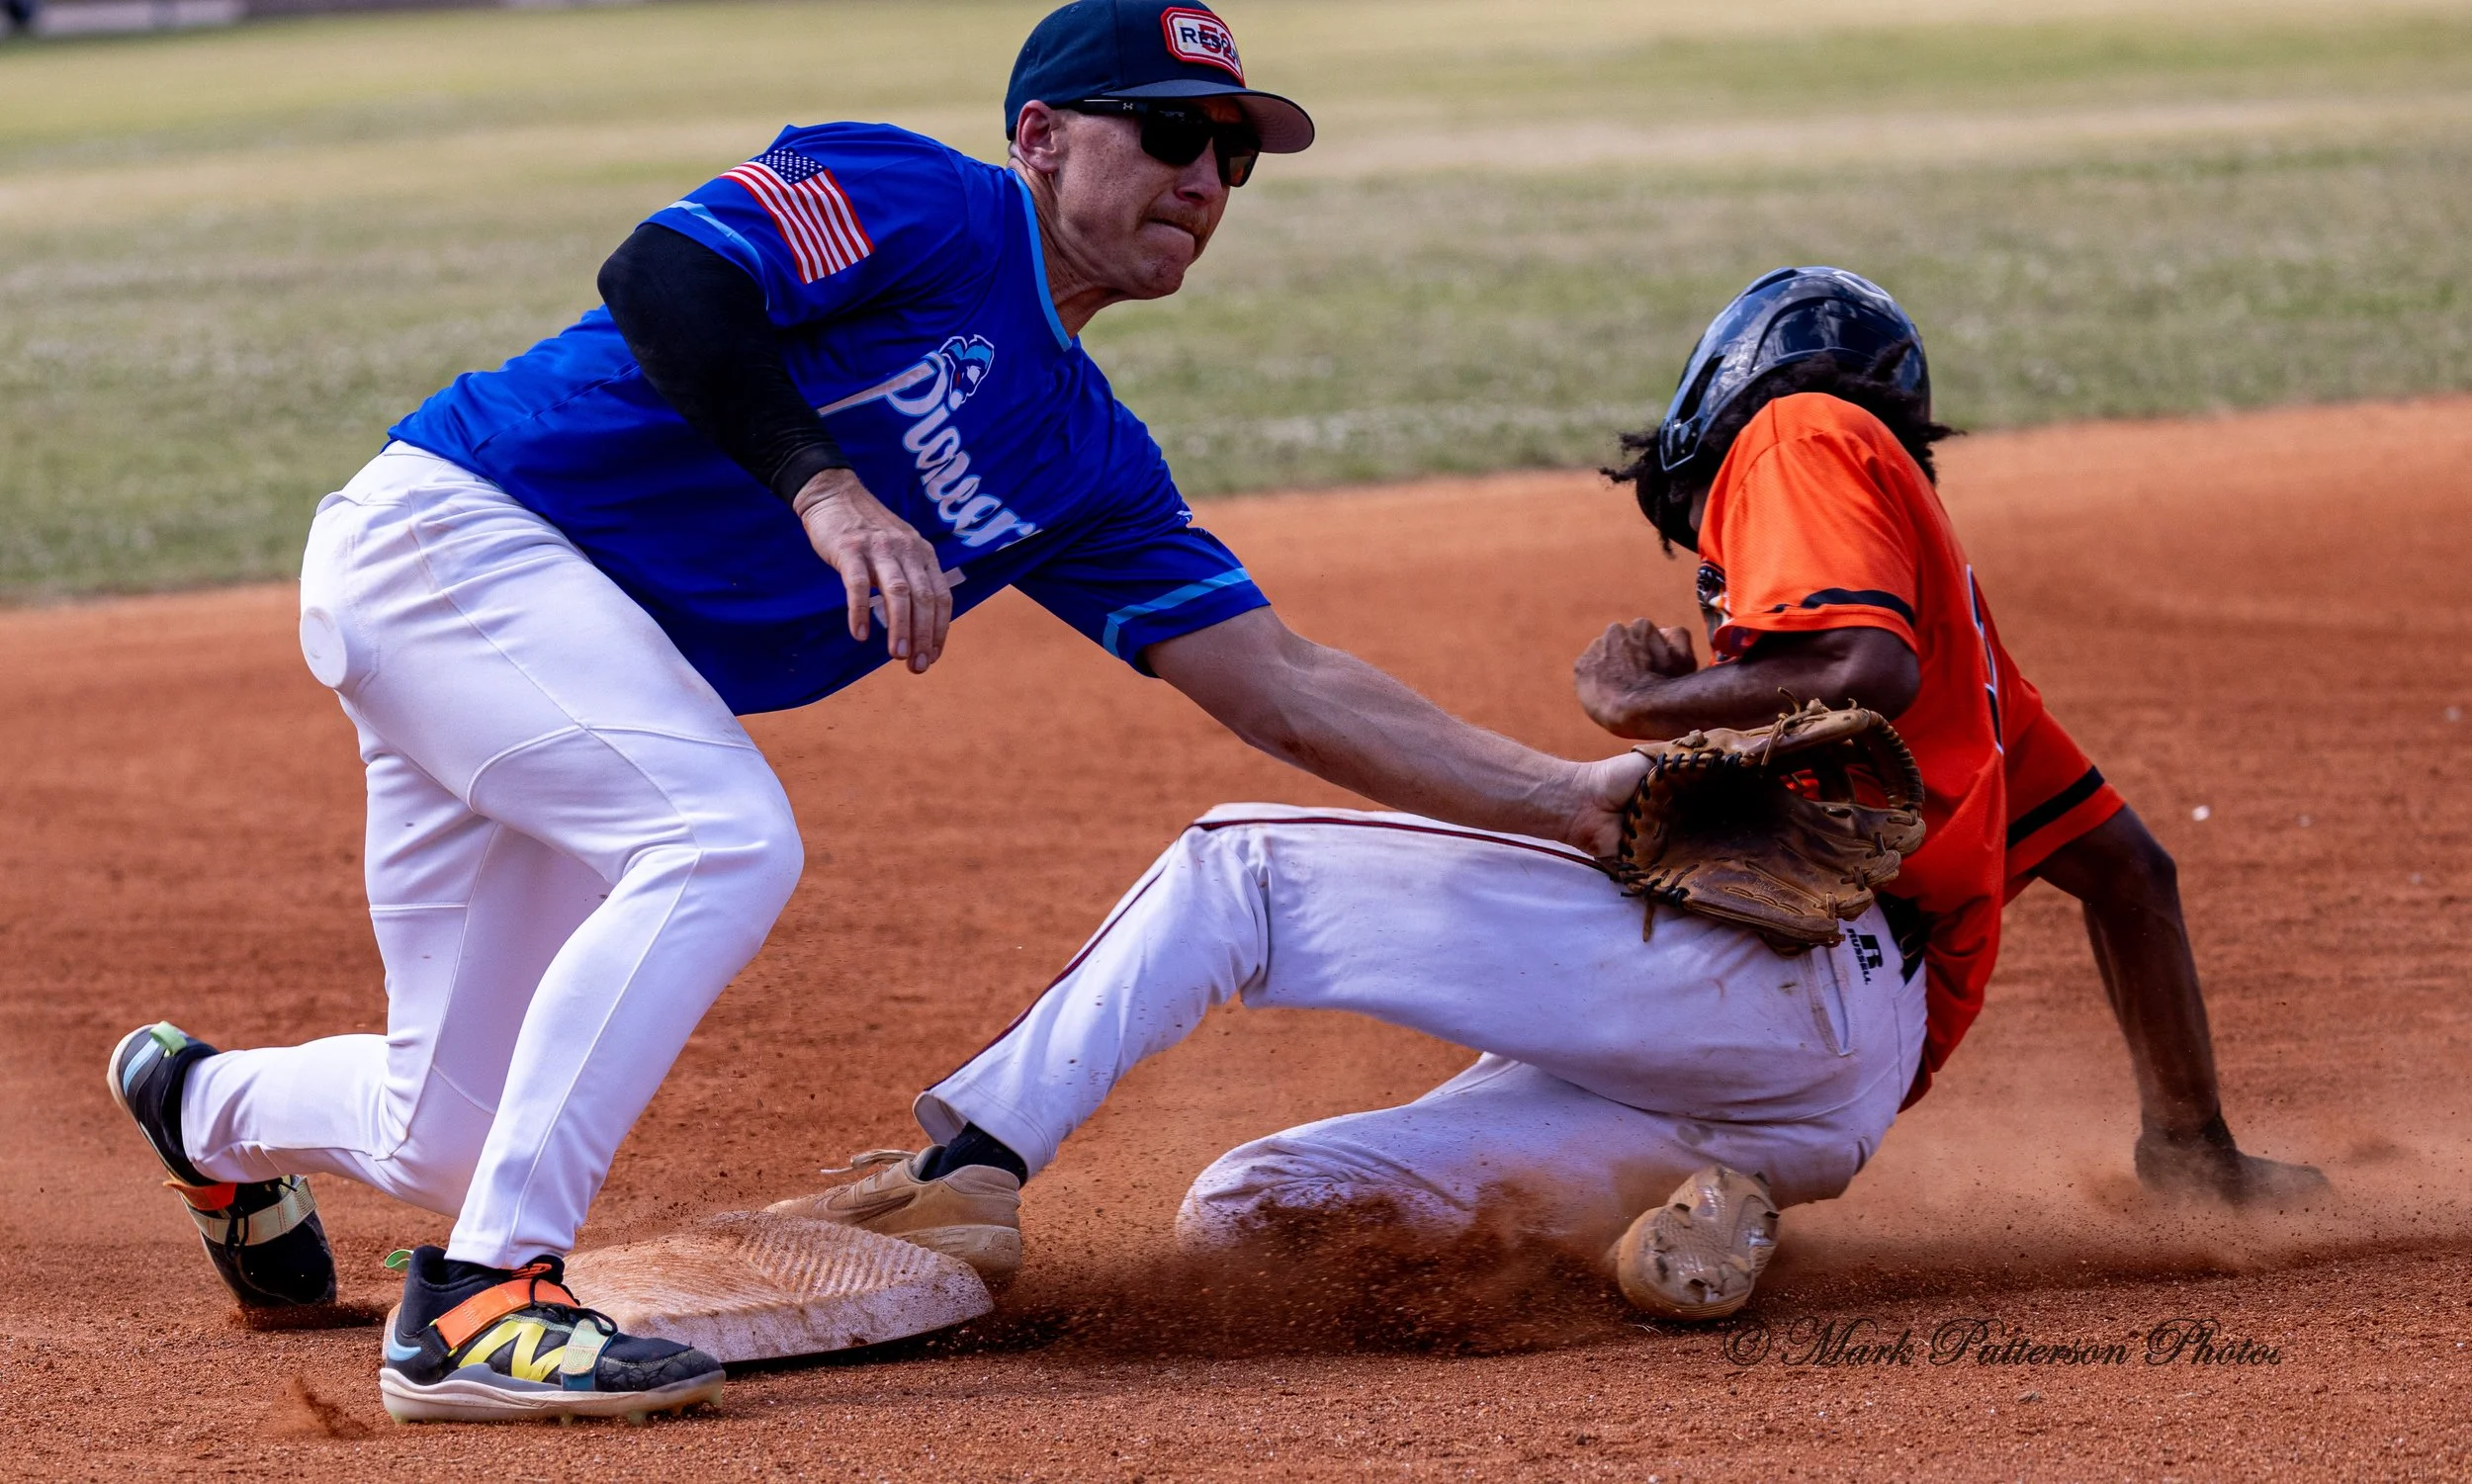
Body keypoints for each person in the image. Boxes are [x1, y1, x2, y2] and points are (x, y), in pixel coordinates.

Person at [105, 0, 1644, 1425]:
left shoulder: (1088, 460)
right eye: (1172, 128)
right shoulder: (926, 202)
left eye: (1233, 155)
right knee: (717, 836)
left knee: (443, 1122)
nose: (1206, 176)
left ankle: (201, 1108)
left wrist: (1574, 802)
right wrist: (827, 489)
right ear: (1041, 136)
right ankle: (478, 1301)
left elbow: (1286, 684)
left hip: (554, 657)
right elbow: (665, 275)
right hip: (458, 541)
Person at [770, 267, 2327, 1324]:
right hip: (1824, 1108)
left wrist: (1647, 706)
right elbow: (2134, 876)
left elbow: (1859, 659)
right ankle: (1688, 1217)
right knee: (1258, 1205)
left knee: (1237, 866)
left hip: (1782, 980)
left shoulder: (1803, 427)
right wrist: (2189, 1149)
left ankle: (967, 1172)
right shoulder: (1992, 690)